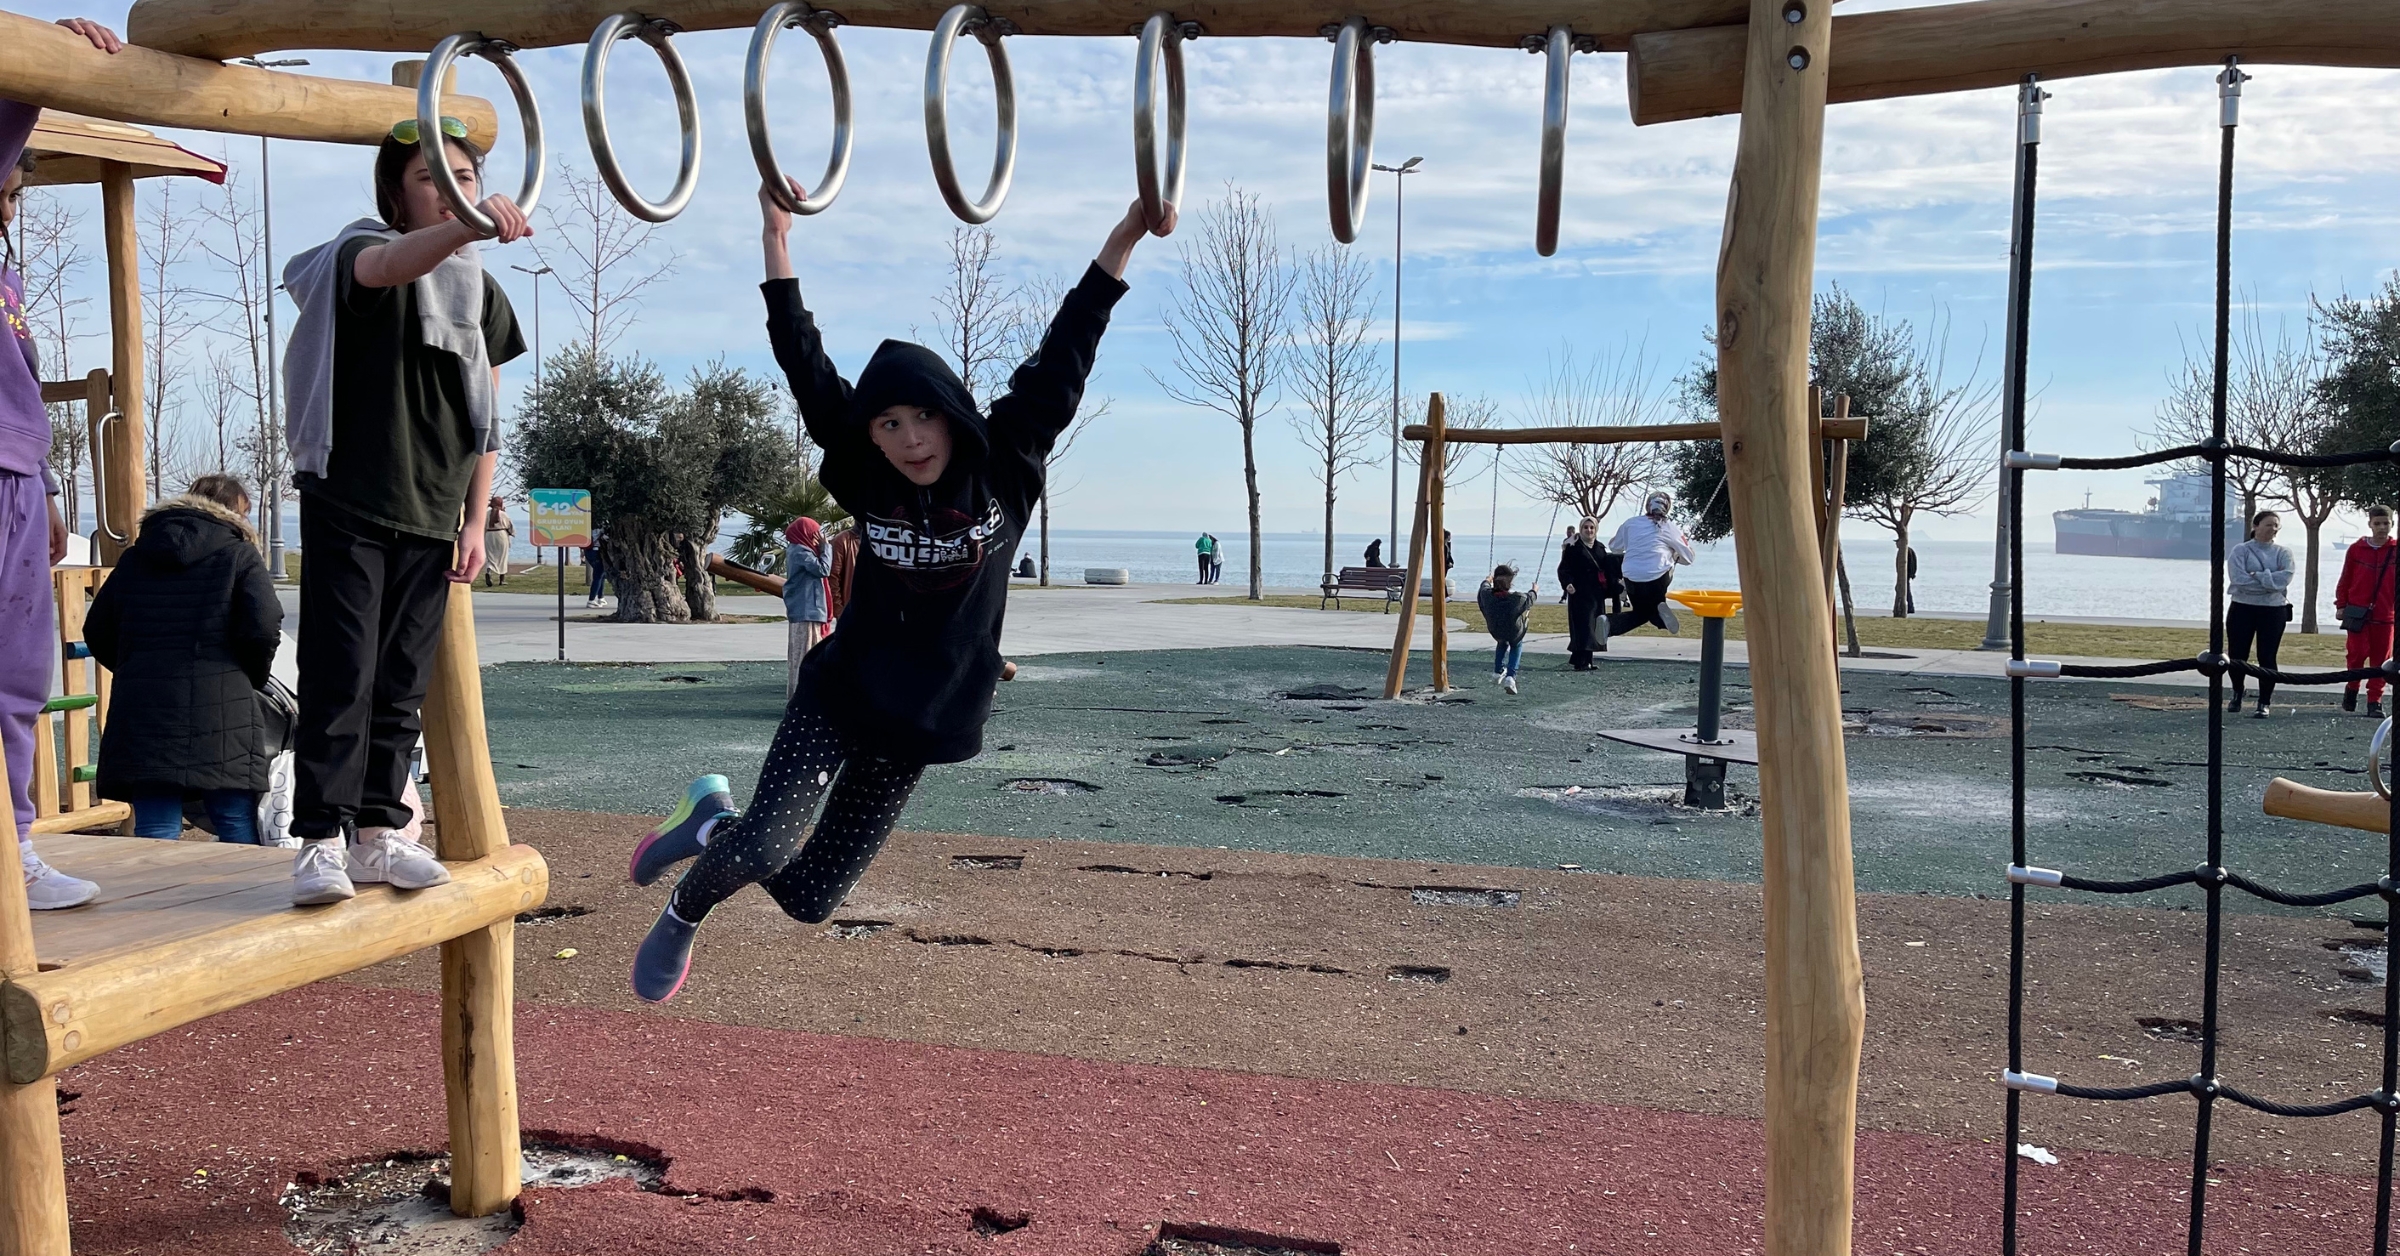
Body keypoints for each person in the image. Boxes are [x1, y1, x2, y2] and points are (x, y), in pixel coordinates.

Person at [621, 181, 1171, 1002]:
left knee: (809, 900)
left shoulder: (1007, 461)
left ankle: (708, 822)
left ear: (951, 412)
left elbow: (1071, 344)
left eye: (923, 417)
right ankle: (682, 911)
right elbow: (804, 366)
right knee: (768, 848)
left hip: (922, 721)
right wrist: (776, 237)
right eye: (888, 425)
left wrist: (1127, 231)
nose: (910, 440)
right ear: (871, 437)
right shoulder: (867, 477)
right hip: (842, 695)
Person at [278, 107, 532, 904]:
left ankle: (379, 834)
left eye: (465, 179)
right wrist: (467, 229)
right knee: (340, 672)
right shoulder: (359, 248)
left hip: (433, 509)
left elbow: (488, 415)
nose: (454, 192)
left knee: (401, 683)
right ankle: (319, 838)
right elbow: (385, 269)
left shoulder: (479, 294)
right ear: (400, 196)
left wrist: (476, 520)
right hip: (352, 496)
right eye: (432, 180)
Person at [2, 17, 121, 910]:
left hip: (14, 480)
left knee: (20, 674)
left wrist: (44, 491)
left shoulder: (6, 285)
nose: (13, 194)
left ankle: (13, 848)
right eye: (10, 179)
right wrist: (45, 65)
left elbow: (26, 397)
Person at [85, 474, 281, 843]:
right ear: (237, 512)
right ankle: (244, 897)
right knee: (234, 817)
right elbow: (265, 623)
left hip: (144, 706)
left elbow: (97, 628)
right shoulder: (239, 554)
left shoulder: (136, 557)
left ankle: (155, 900)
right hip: (223, 705)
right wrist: (248, 676)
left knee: (156, 824)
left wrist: (134, 667)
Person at [2226, 509, 2295, 718]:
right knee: (2238, 655)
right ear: (2255, 526)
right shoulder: (2240, 551)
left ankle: (2264, 701)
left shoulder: (2284, 553)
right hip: (2242, 608)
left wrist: (2258, 576)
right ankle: (2237, 692)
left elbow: (2285, 579)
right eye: (2268, 524)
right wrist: (2269, 582)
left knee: (2267, 656)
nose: (2272, 529)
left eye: (2276, 525)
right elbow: (2238, 579)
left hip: (2274, 611)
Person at [2336, 504, 2395, 717]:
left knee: (2381, 660)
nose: (2381, 527)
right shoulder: (2356, 549)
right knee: (2356, 654)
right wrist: (2341, 605)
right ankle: (2351, 689)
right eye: (2377, 523)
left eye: (2385, 523)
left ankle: (2374, 701)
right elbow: (2346, 578)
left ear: (2392, 524)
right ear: (2370, 524)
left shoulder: (2396, 550)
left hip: (2386, 614)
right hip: (2357, 611)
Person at [1608, 492, 1695, 637]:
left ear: (1647, 505)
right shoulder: (1669, 527)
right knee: (1649, 611)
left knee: (1641, 614)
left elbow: (1615, 547)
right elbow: (1689, 558)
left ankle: (1609, 623)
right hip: (1657, 578)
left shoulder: (1630, 523)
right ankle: (1660, 615)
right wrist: (1675, 556)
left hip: (1631, 577)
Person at [1555, 517, 1614, 670]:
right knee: (1583, 627)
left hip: (1596, 593)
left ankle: (1586, 660)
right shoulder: (1573, 548)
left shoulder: (1600, 548)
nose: (1589, 530)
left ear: (1596, 530)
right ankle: (1581, 662)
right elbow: (1563, 569)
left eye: (1591, 528)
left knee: (1595, 626)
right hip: (1579, 593)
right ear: (1581, 529)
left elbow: (1607, 568)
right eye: (1586, 527)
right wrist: (1567, 583)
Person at [782, 515, 830, 698]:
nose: (817, 538)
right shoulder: (801, 552)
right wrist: (826, 548)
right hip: (808, 610)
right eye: (815, 533)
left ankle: (801, 694)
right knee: (808, 653)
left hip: (805, 610)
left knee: (802, 653)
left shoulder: (796, 549)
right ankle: (804, 695)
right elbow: (823, 570)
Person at [1477, 564, 1535, 695]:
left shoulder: (1487, 596)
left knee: (1502, 642)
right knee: (1516, 645)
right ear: (1510, 583)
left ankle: (1498, 672)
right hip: (1514, 632)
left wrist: (1487, 580)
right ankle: (1510, 677)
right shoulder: (1517, 599)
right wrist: (1534, 590)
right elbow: (1530, 598)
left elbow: (1483, 587)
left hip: (1495, 630)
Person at [826, 519, 859, 622]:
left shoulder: (880, 541)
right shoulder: (843, 540)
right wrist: (840, 611)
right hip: (852, 611)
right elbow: (833, 577)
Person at [480, 495, 514, 586]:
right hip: (501, 535)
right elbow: (510, 526)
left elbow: (482, 526)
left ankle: (488, 571)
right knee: (502, 557)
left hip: (489, 535)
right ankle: (501, 580)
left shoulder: (486, 514)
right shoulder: (503, 514)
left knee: (490, 556)